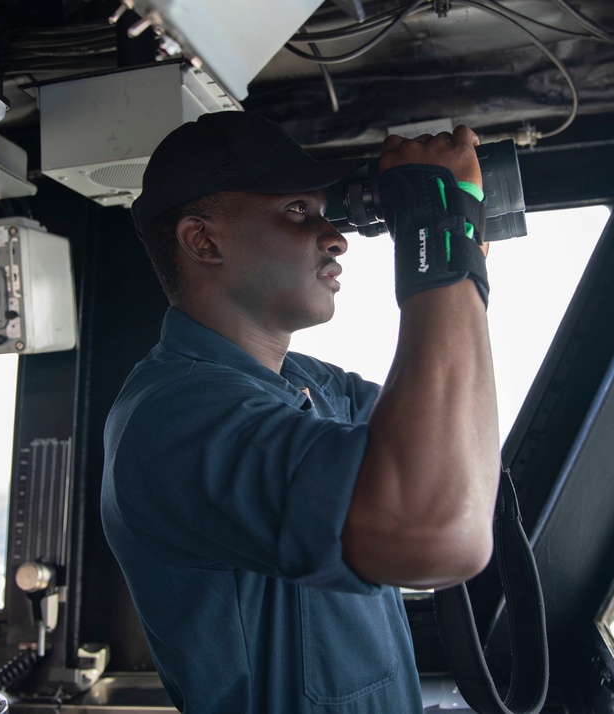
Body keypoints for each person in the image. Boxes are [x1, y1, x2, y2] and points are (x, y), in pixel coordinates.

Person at [100, 111, 500, 713]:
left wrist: (459, 236)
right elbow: (437, 536)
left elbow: (456, 451)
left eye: (324, 210)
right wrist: (436, 235)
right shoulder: (173, 420)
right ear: (202, 241)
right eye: (297, 211)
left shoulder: (308, 384)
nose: (335, 235)